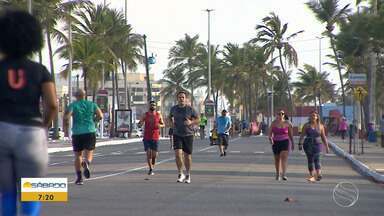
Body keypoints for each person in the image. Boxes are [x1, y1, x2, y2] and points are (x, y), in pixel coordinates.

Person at [0, 9, 58, 216]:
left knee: (6, 192)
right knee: (32, 191)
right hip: (31, 132)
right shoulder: (40, 70)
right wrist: (44, 127)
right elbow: (52, 104)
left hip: (2, 130)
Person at [64, 89, 103, 185]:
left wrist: (66, 129)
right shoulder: (92, 104)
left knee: (78, 155)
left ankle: (79, 177)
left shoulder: (73, 105)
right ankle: (87, 163)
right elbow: (100, 115)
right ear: (85, 95)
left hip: (77, 132)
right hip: (90, 131)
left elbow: (66, 117)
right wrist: (94, 120)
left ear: (76, 96)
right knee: (89, 152)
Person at [169, 91, 199, 184]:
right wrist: (170, 123)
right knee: (178, 154)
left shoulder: (190, 109)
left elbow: (198, 119)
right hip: (177, 134)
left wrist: (191, 122)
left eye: (183, 97)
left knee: (187, 157)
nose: (181, 99)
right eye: (179, 97)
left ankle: (188, 174)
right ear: (177, 99)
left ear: (185, 99)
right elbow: (169, 117)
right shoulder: (173, 109)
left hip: (188, 134)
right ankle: (180, 173)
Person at [298, 111, 330, 182]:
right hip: (308, 145)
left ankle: (318, 174)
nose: (313, 117)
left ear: (317, 117)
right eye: (311, 116)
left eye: (314, 116)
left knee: (317, 159)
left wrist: (327, 146)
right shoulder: (306, 125)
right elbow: (302, 135)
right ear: (309, 117)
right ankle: (312, 175)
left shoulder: (321, 126)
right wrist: (300, 144)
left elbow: (323, 137)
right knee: (310, 160)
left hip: (317, 144)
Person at [138, 100, 164, 175]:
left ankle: (153, 161)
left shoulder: (159, 115)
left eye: (154, 105)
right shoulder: (145, 115)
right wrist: (140, 124)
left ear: (156, 107)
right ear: (149, 106)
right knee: (148, 153)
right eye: (151, 105)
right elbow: (140, 122)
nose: (152, 106)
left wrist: (160, 126)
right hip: (147, 137)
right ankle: (150, 169)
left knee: (154, 155)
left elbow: (163, 124)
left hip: (155, 137)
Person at [268, 110, 294, 181]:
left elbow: (291, 135)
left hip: (285, 141)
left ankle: (284, 174)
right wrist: (270, 139)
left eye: (282, 114)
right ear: (276, 115)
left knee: (284, 157)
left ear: (284, 115)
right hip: (276, 142)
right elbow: (269, 134)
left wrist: (293, 143)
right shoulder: (273, 123)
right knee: (277, 159)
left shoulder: (287, 123)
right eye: (279, 114)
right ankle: (277, 173)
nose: (280, 115)